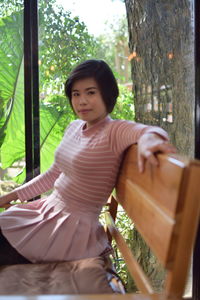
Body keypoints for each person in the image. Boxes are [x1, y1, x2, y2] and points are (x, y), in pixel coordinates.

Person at [0, 59, 176, 265]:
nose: (82, 101)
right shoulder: (74, 127)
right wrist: (13, 195)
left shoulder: (114, 131)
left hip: (69, 229)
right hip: (46, 212)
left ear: (107, 94)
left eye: (91, 92)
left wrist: (148, 143)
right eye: (76, 94)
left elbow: (150, 131)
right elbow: (54, 173)